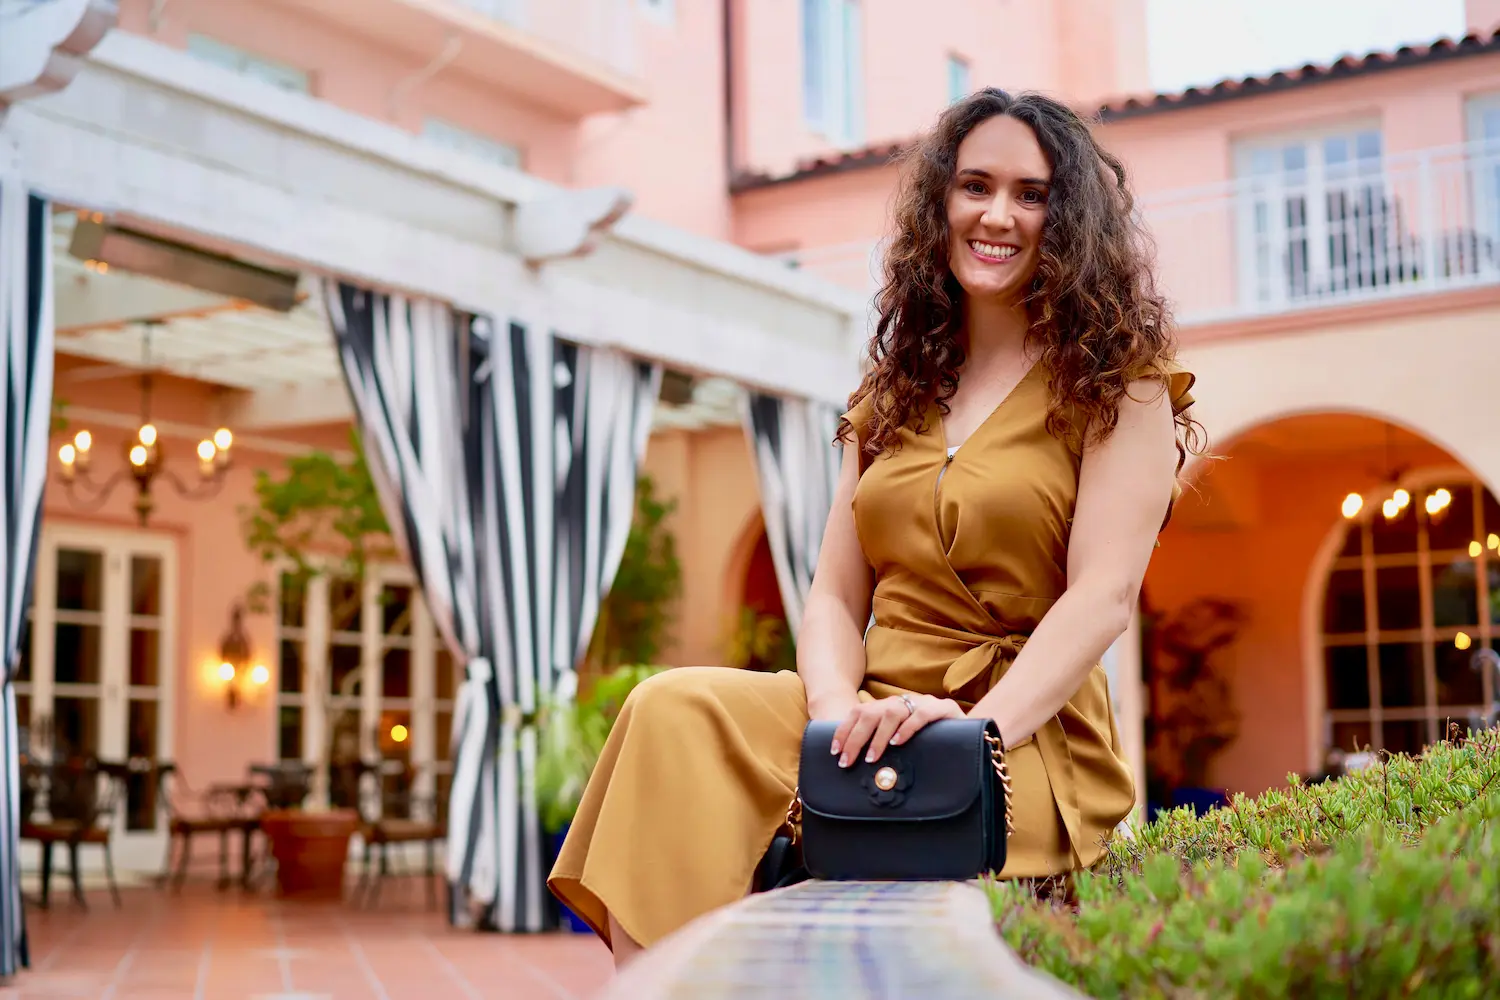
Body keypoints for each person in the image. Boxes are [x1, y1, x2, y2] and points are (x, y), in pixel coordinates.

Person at [548, 88, 1205, 968]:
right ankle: (662, 985)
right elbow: (832, 593)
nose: (997, 214)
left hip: (1017, 724)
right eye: (975, 185)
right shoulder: (892, 394)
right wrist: (834, 716)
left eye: (1031, 193)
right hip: (869, 705)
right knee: (670, 711)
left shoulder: (1121, 388)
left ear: (1071, 217)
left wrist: (977, 734)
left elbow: (1103, 596)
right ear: (942, 202)